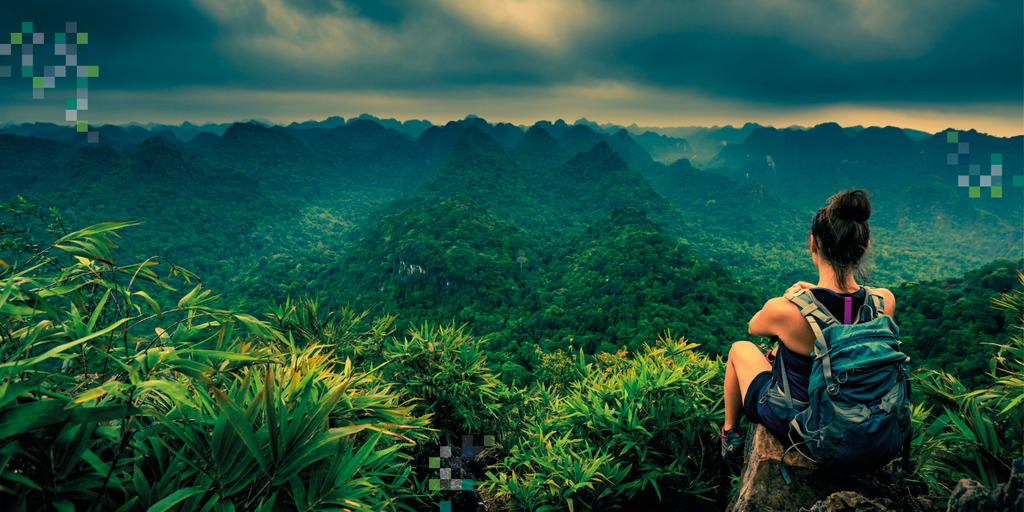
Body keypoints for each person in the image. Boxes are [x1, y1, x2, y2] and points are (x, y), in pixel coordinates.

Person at [720, 188, 896, 458]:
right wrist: (814, 294)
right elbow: (844, 319)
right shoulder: (883, 302)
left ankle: (729, 432)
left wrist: (798, 300)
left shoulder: (785, 311)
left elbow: (753, 327)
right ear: (865, 248)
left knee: (739, 349)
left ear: (814, 244)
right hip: (866, 423)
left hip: (804, 426)